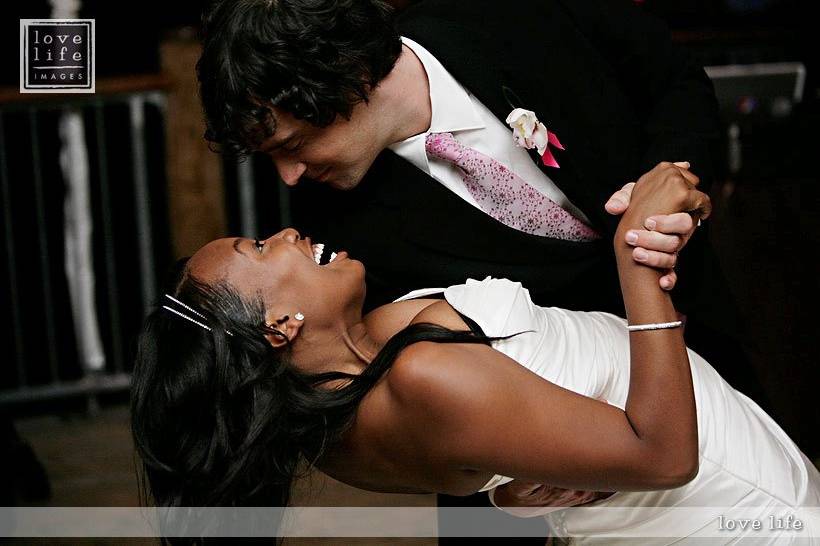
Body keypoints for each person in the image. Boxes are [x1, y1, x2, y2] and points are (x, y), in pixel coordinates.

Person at [195, 0, 770, 536]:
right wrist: (510, 490)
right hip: (571, 469)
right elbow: (424, 406)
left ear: (350, 78)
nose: (289, 176)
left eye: (294, 144)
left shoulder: (504, 11)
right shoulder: (331, 240)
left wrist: (669, 181)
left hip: (708, 365)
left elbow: (671, 79)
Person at [131, 163, 820, 543]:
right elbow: (664, 458)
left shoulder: (326, 427)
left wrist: (520, 491)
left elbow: (479, 458)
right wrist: (637, 258)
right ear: (279, 326)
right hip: (724, 499)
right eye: (259, 249)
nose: (283, 232)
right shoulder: (426, 376)